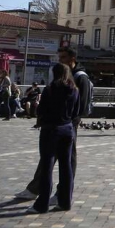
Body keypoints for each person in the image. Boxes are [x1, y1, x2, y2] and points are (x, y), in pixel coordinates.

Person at [16, 46, 92, 202]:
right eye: (59, 58)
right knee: (50, 157)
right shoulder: (66, 76)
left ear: (72, 59)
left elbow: (81, 105)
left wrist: (69, 121)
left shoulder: (80, 77)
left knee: (67, 159)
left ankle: (60, 194)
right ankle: (36, 189)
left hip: (67, 125)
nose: (60, 61)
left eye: (63, 57)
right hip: (57, 124)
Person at [26, 63, 80, 214]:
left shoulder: (50, 89)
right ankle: (65, 202)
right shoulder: (75, 90)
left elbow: (41, 110)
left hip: (51, 130)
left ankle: (42, 204)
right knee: (66, 166)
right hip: (68, 130)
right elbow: (76, 111)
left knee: (47, 167)